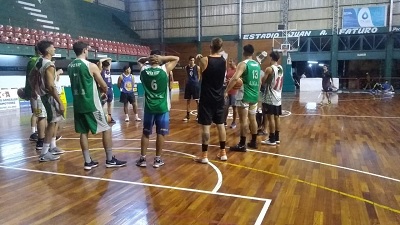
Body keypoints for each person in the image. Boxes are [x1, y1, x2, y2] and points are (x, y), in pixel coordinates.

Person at [68, 41, 127, 170]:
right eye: (87, 50)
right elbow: (104, 85)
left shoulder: (70, 66)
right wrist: (103, 92)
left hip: (78, 104)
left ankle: (88, 161)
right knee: (106, 128)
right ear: (84, 50)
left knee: (83, 132)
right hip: (91, 104)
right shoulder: (90, 65)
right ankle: (110, 159)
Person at [135, 50, 179, 168]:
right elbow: (176, 58)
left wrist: (148, 59)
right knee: (160, 133)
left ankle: (143, 159)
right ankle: (157, 160)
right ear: (160, 58)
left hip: (149, 107)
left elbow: (139, 60)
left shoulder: (144, 70)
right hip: (162, 107)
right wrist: (162, 59)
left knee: (146, 133)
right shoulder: (164, 69)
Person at [194, 37, 227, 163]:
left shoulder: (204, 60)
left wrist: (199, 58)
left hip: (207, 98)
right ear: (221, 47)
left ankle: (204, 156)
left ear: (210, 46)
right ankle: (223, 153)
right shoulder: (224, 60)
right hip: (219, 97)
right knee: (221, 125)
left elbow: (202, 72)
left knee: (206, 127)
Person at [225, 44, 261, 152]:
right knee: (252, 119)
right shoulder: (257, 64)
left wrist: (226, 91)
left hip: (244, 95)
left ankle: (242, 144)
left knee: (243, 121)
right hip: (254, 95)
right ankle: (253, 142)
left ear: (244, 52)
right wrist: (257, 93)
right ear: (253, 53)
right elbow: (259, 82)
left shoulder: (243, 64)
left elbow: (235, 78)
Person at [33, 40, 65, 161]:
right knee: (52, 122)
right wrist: (60, 102)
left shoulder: (39, 62)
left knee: (54, 121)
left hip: (43, 95)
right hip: (50, 95)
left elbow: (32, 76)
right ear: (47, 50)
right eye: (53, 47)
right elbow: (51, 86)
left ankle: (51, 147)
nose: (55, 49)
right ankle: (44, 153)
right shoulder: (49, 65)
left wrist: (32, 90)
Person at [261, 51, 283, 146]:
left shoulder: (269, 69)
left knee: (270, 118)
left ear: (271, 58)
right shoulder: (280, 67)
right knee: (277, 117)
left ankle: (272, 139)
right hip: (278, 96)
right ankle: (277, 138)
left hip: (270, 96)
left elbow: (263, 81)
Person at [24, 45, 43, 143]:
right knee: (37, 113)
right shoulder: (35, 61)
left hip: (34, 90)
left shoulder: (34, 60)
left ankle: (37, 133)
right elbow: (33, 77)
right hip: (35, 91)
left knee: (37, 113)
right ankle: (35, 134)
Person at [183, 56, 200, 121]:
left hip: (195, 85)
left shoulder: (197, 67)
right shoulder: (186, 67)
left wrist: (196, 82)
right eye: (191, 60)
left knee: (197, 101)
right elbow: (186, 75)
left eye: (193, 60)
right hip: (188, 85)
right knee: (188, 101)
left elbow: (199, 76)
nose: (192, 61)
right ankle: (188, 116)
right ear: (189, 61)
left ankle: (198, 116)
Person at [99, 58, 116, 123]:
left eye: (107, 66)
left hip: (110, 89)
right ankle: (100, 118)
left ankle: (110, 117)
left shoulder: (108, 70)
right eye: (106, 66)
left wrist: (109, 59)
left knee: (109, 104)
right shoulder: (101, 71)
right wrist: (106, 58)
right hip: (104, 90)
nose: (107, 67)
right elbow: (100, 61)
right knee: (102, 104)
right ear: (103, 66)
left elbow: (110, 60)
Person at [223, 59, 237, 129]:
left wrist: (231, 80)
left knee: (234, 107)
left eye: (230, 61)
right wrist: (226, 81)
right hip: (228, 90)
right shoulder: (228, 70)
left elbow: (239, 80)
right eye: (229, 61)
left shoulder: (237, 70)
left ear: (234, 62)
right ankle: (224, 121)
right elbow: (226, 78)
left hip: (235, 91)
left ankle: (234, 122)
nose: (229, 63)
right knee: (225, 107)